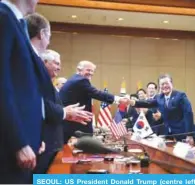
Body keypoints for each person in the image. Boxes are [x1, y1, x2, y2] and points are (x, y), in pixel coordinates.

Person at [26, 13, 93, 173]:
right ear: (44, 62)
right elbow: (40, 106)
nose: (59, 67)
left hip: (53, 144)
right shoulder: (35, 77)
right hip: (43, 145)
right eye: (56, 63)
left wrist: (67, 113)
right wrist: (64, 112)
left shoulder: (47, 83)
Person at [0, 0, 52, 183]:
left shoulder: (17, 22)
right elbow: (3, 86)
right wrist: (19, 142)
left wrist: (36, 135)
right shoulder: (3, 17)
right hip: (10, 147)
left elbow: (28, 88)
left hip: (26, 142)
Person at [59, 61, 127, 143]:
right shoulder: (81, 80)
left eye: (92, 71)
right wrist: (118, 99)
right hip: (77, 126)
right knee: (84, 152)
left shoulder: (74, 79)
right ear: (79, 69)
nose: (91, 73)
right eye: (88, 70)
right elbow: (97, 93)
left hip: (71, 124)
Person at [128, 74, 195, 141]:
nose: (165, 86)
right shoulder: (160, 97)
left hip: (183, 134)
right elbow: (148, 103)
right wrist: (132, 102)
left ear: (171, 84)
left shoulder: (180, 96)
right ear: (159, 86)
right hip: (169, 135)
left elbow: (188, 114)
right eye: (162, 84)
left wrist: (189, 135)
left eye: (167, 83)